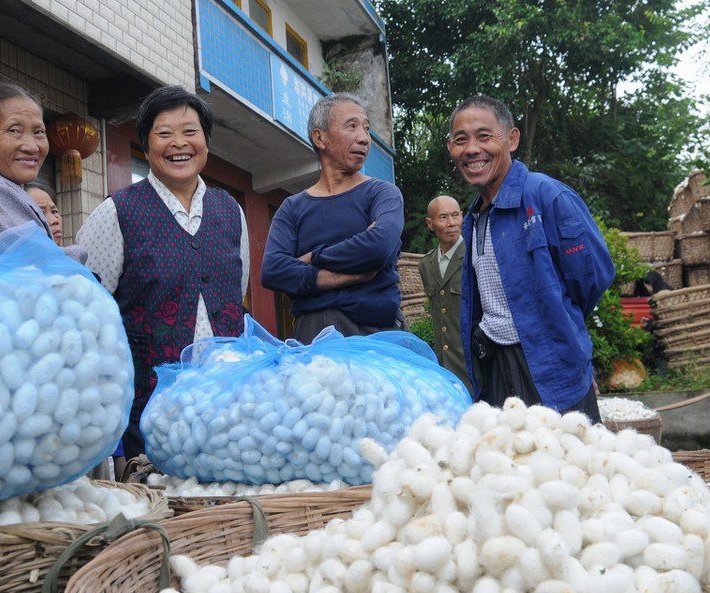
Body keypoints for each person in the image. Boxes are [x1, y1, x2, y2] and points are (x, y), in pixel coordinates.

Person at [76, 85, 249, 461]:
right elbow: (87, 312)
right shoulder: (117, 212)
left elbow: (237, 292)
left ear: (206, 140)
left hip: (229, 399)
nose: (179, 143)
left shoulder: (230, 211)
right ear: (146, 142)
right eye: (164, 133)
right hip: (149, 408)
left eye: (190, 132)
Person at [447, 95, 615, 420]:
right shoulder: (473, 218)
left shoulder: (546, 196)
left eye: (484, 136)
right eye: (460, 140)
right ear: (451, 148)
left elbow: (592, 276)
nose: (471, 149)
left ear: (512, 139)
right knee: (508, 465)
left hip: (548, 366)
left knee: (568, 465)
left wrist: (560, 330)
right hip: (495, 365)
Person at [260, 93, 405, 343]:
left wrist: (312, 258)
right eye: (352, 126)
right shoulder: (292, 207)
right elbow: (273, 270)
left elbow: (378, 246)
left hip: (376, 336)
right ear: (320, 137)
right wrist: (346, 276)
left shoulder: (382, 193)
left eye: (366, 128)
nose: (364, 138)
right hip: (312, 338)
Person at [0, 82, 86, 264]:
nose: (32, 146)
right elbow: (44, 264)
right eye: (14, 131)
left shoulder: (0, 188)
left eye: (38, 132)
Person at [418, 195, 472, 394]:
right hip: (445, 368)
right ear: (430, 224)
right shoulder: (426, 265)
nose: (451, 223)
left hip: (474, 364)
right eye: (443, 217)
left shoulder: (474, 255)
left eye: (455, 215)